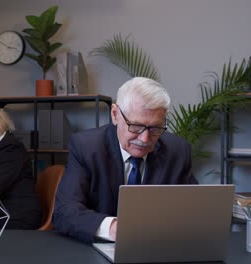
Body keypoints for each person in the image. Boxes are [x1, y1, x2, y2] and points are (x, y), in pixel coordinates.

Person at [53, 77, 198, 243]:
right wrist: (114, 228)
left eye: (155, 128)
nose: (144, 139)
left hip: (158, 246)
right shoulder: (86, 147)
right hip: (97, 250)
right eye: (136, 126)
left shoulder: (178, 150)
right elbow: (64, 211)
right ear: (115, 115)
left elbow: (191, 210)